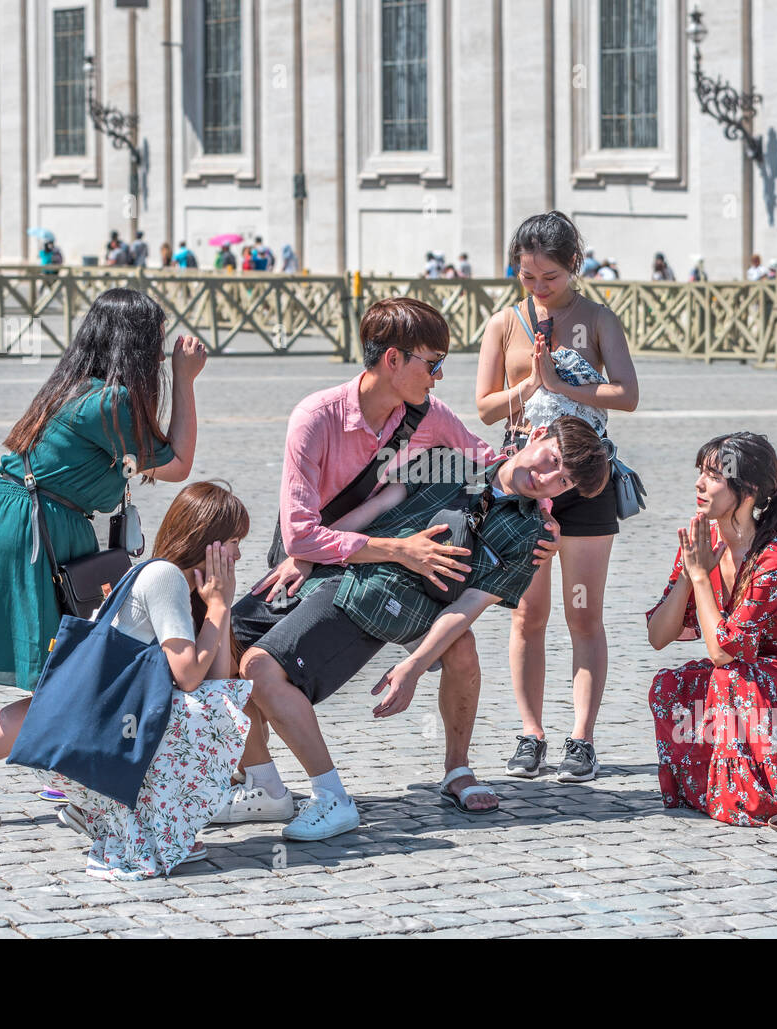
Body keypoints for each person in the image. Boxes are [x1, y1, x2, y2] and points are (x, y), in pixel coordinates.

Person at [221, 296, 561, 836]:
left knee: (462, 646)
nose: (440, 376)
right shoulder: (315, 417)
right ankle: (262, 784)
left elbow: (489, 462)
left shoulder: (430, 415)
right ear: (393, 360)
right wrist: (399, 549)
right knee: (226, 648)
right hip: (311, 558)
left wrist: (544, 514)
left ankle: (456, 769)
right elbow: (300, 532)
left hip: (389, 570)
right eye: (433, 363)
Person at [0, 289, 206, 827]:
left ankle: (76, 790)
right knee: (68, 681)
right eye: (156, 340)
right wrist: (185, 378)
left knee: (69, 676)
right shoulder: (109, 402)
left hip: (22, 526)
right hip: (30, 535)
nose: (162, 350)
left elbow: (153, 466)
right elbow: (180, 463)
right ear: (134, 345)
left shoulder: (74, 389)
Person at [235, 418, 608, 841]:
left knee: (260, 669)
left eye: (562, 483)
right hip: (340, 566)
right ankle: (262, 782)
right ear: (539, 436)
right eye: (552, 461)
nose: (545, 479)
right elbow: (373, 510)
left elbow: (467, 607)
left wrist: (413, 666)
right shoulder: (448, 463)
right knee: (226, 644)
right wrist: (308, 551)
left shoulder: (531, 535)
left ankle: (336, 797)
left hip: (380, 601)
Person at [475, 210, 639, 783]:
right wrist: (529, 384)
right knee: (528, 614)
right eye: (528, 276)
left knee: (583, 612)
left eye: (550, 277)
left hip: (585, 481)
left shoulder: (595, 317)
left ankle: (581, 739)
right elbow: (484, 406)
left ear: (574, 266)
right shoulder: (504, 323)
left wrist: (563, 386)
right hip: (526, 481)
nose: (540, 288)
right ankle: (530, 731)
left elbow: (627, 393)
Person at [645, 432, 777, 826]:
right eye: (700, 473)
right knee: (670, 688)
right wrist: (690, 577)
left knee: (732, 676)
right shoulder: (703, 540)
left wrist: (700, 576)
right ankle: (715, 789)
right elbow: (658, 637)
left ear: (748, 491)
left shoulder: (775, 556)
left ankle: (772, 792)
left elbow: (723, 652)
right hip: (748, 672)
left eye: (713, 475)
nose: (699, 483)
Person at [41, 482, 253, 879]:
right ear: (207, 541)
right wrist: (220, 606)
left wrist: (217, 607)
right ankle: (126, 814)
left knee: (217, 705)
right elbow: (191, 679)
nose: (239, 553)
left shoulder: (188, 588)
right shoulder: (166, 577)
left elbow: (219, 680)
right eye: (234, 541)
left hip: (118, 716)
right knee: (206, 712)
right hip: (102, 727)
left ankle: (145, 815)